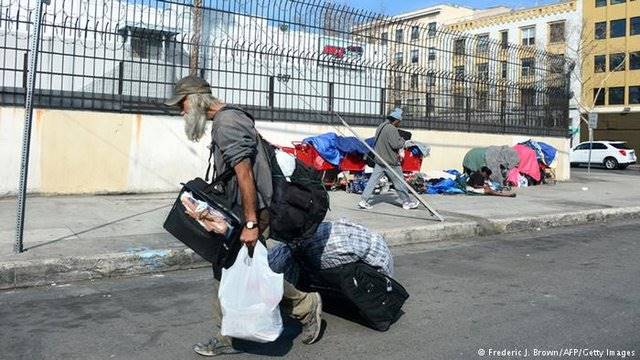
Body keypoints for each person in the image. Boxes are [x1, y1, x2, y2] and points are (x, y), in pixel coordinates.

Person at [165, 75, 323, 356]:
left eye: (182, 104)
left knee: (243, 272)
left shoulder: (227, 123)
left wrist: (250, 222)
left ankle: (304, 306)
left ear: (195, 99)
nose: (182, 111)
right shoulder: (228, 119)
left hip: (249, 214)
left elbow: (245, 174)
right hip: (240, 212)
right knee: (236, 271)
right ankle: (238, 330)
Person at [358, 108, 419, 210]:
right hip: (391, 162)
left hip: (379, 160)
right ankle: (407, 202)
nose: (399, 124)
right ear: (396, 120)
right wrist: (404, 142)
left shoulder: (380, 126)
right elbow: (396, 144)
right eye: (399, 122)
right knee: (400, 182)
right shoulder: (392, 129)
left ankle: (363, 200)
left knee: (372, 181)